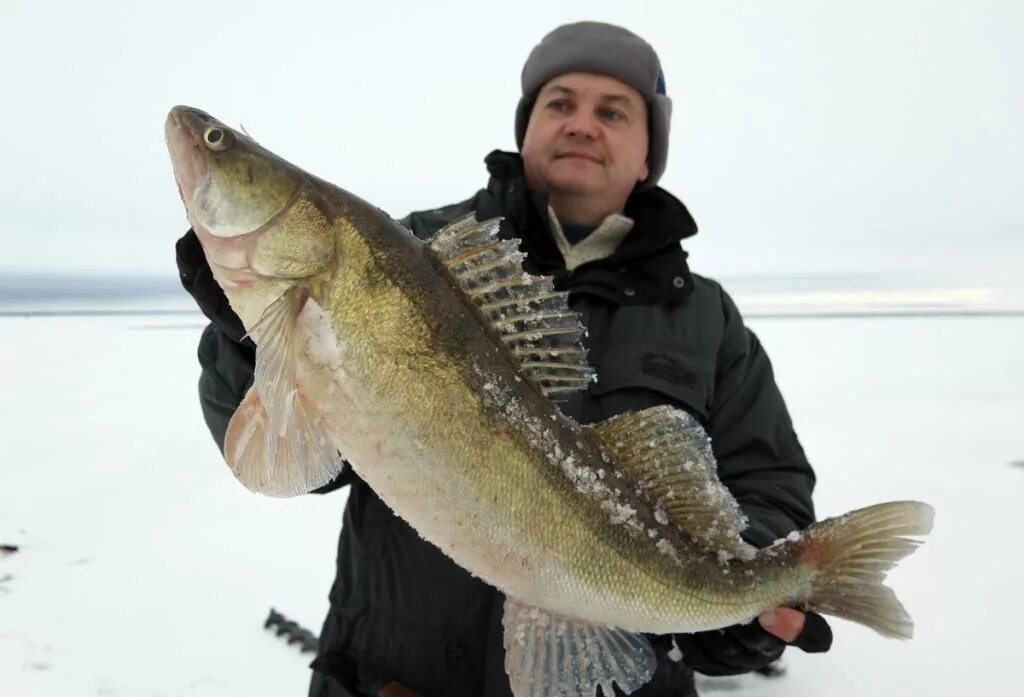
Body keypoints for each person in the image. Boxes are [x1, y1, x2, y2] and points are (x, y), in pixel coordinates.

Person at [175, 20, 833, 697]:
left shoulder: (705, 316)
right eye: (560, 102)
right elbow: (301, 462)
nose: (582, 123)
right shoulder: (420, 252)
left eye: (613, 111)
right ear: (527, 127)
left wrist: (736, 599)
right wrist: (247, 342)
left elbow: (770, 477)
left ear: (647, 155)